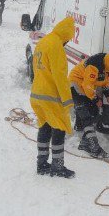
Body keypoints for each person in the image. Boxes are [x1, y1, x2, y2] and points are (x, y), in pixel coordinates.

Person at [30, 17, 76, 178]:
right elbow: (60, 76)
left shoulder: (44, 42)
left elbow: (36, 68)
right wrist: (68, 100)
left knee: (45, 126)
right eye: (67, 40)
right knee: (59, 128)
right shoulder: (56, 45)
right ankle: (57, 167)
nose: (67, 42)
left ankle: (41, 164)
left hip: (37, 93)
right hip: (51, 96)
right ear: (66, 35)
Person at [68, 53, 109, 159]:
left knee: (94, 112)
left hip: (86, 88)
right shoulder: (94, 65)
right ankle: (94, 148)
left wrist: (108, 93)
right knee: (86, 116)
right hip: (76, 85)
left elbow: (105, 81)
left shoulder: (106, 65)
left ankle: (85, 144)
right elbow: (87, 85)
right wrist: (95, 99)